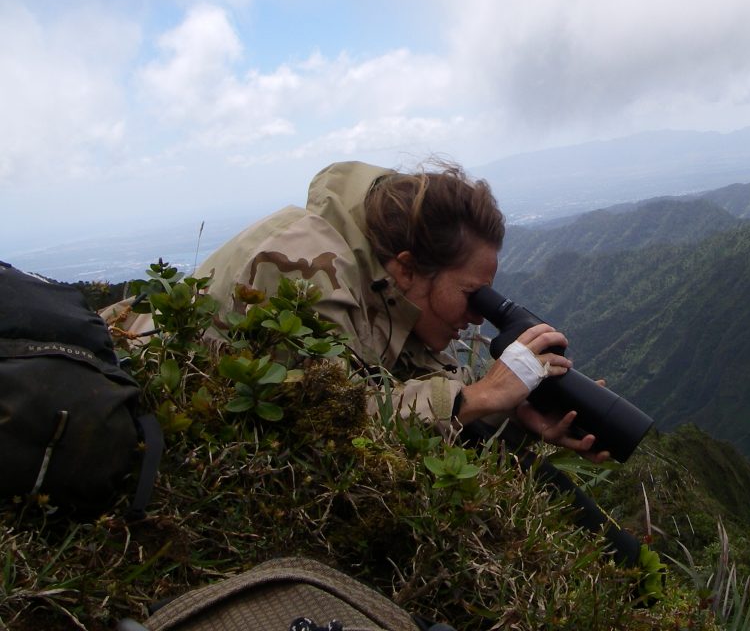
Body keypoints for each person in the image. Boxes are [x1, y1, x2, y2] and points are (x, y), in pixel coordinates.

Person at [186, 159, 610, 461]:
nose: (479, 316)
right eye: (470, 294)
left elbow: (426, 428)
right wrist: (482, 394)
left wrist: (517, 420)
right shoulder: (301, 267)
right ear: (408, 268)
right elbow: (322, 428)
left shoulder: (393, 295)